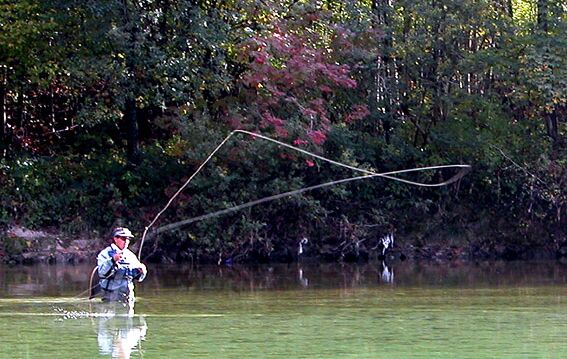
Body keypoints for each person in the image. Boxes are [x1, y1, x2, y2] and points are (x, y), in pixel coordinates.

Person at [97, 227, 147, 305]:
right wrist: (112, 260)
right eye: (123, 238)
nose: (126, 241)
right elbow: (102, 272)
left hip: (128, 297)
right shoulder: (105, 254)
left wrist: (142, 271)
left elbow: (139, 278)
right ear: (115, 239)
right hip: (110, 297)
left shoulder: (130, 255)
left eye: (128, 239)